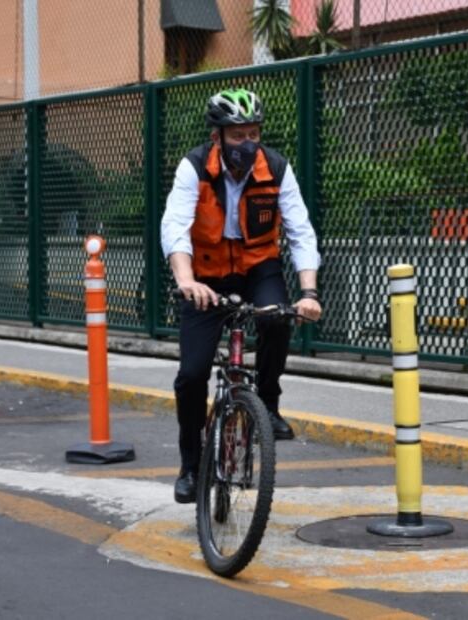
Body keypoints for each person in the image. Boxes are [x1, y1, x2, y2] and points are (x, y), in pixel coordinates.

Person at [160, 88, 323, 504]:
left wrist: (309, 291)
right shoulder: (193, 167)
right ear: (217, 137)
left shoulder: (277, 168)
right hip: (206, 277)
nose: (247, 144)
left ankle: (267, 402)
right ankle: (191, 466)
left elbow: (300, 231)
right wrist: (186, 280)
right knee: (192, 376)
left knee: (275, 316)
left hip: (256, 269)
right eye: (237, 136)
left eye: (253, 134)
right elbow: (175, 226)